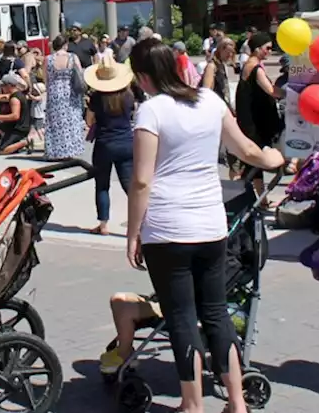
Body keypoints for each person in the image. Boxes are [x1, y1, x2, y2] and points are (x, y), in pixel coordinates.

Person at [122, 39, 285, 413]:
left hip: (167, 229)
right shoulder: (209, 101)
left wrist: (133, 233)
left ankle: (192, 404)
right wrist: (275, 158)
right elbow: (245, 149)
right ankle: (237, 401)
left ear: (144, 76)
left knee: (181, 316)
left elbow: (142, 181)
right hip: (211, 225)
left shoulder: (151, 111)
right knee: (216, 312)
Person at [83, 55, 136, 237]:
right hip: (127, 142)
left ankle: (103, 225)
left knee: (102, 185)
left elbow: (89, 122)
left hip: (105, 143)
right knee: (130, 186)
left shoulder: (96, 98)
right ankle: (141, 224)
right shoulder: (128, 96)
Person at [234, 33, 283, 202]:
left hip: (250, 121)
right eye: (267, 48)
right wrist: (290, 93)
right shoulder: (255, 68)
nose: (269, 51)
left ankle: (261, 199)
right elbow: (271, 91)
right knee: (258, 160)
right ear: (257, 49)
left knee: (254, 162)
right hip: (255, 122)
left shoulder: (249, 65)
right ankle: (257, 198)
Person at [45, 35, 88, 160]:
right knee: (71, 120)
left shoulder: (48, 59)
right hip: (71, 91)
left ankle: (56, 151)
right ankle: (71, 149)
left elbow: (46, 79)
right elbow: (80, 73)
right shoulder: (73, 57)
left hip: (54, 92)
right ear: (65, 45)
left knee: (56, 122)